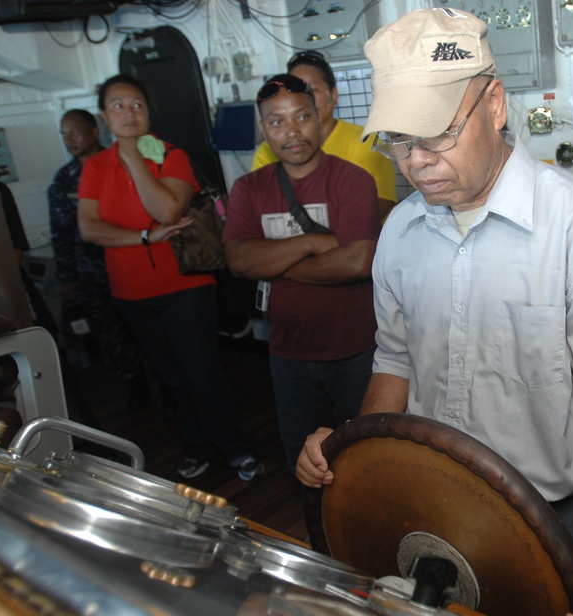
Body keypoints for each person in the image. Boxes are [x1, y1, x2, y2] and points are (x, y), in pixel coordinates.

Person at [296, 8, 573, 616]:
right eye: (399, 142)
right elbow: (394, 364)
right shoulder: (401, 236)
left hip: (555, 517)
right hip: (432, 501)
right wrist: (350, 457)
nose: (417, 162)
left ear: (494, 104)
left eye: (437, 135)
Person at [77, 73, 263, 482]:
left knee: (201, 373)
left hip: (185, 286)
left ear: (149, 112)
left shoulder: (170, 155)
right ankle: (197, 447)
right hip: (129, 292)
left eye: (137, 105)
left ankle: (236, 448)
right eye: (118, 106)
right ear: (104, 116)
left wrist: (131, 159)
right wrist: (143, 237)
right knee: (171, 377)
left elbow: (166, 211)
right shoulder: (93, 167)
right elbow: (90, 228)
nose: (129, 113)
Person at [223, 74, 381, 474]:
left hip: (357, 349)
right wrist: (312, 243)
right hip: (288, 353)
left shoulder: (353, 180)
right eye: (276, 121)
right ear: (264, 129)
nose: (292, 132)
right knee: (302, 457)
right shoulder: (248, 189)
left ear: (319, 118)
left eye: (302, 117)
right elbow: (240, 260)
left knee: (369, 452)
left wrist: (274, 263)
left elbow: (357, 262)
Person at [49, 109, 154, 413]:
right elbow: (62, 234)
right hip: (91, 273)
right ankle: (135, 383)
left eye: (75, 132)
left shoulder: (122, 165)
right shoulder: (63, 181)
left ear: (95, 131)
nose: (69, 140)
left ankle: (167, 385)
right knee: (111, 334)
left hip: (129, 264)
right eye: (64, 134)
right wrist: (67, 276)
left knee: (146, 330)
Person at [250, 50, 397, 219]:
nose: (305, 99)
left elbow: (369, 209)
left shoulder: (365, 141)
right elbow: (262, 213)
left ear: (333, 95)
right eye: (296, 93)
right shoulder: (269, 150)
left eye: (312, 90)